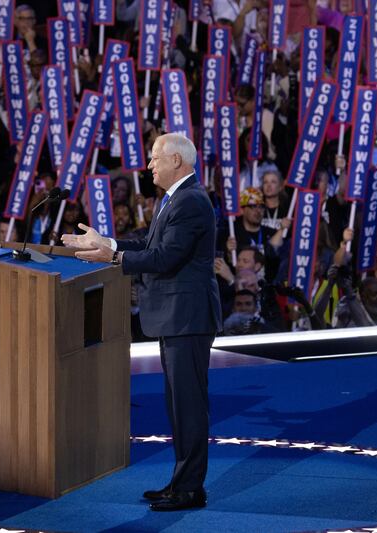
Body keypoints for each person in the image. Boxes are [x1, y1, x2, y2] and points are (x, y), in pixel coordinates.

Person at [62, 133, 221, 512]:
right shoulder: (174, 200)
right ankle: (181, 482)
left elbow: (164, 258)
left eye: (155, 158)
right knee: (179, 404)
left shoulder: (191, 202)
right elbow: (151, 247)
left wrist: (111, 259)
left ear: (177, 162)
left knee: (189, 405)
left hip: (188, 317)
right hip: (176, 318)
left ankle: (190, 490)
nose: (149, 165)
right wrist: (110, 244)